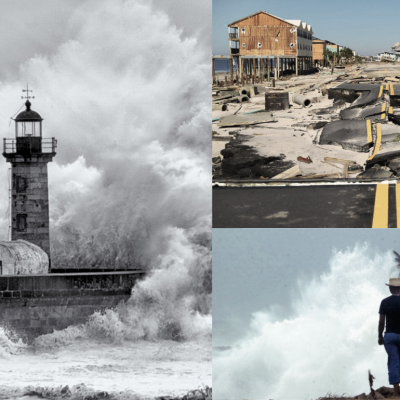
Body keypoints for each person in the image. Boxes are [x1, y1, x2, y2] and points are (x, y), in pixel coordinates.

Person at [379, 278, 400, 397]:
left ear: (390, 288)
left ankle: (396, 394)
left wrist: (380, 336)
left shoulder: (385, 302)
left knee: (394, 361)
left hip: (390, 336)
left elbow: (381, 322)